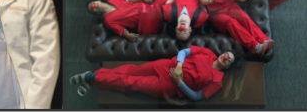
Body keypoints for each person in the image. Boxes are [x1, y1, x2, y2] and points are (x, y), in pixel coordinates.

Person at [70, 46, 246, 102]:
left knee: (131, 83)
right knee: (132, 70)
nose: (225, 57)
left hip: (168, 86)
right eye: (226, 54)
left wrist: (179, 82)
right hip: (166, 66)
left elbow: (197, 96)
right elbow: (184, 52)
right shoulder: (208, 53)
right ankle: (96, 78)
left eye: (228, 60)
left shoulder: (218, 80)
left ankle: (92, 77)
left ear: (229, 66)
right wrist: (179, 66)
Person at [195, 0, 274, 55]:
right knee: (232, 23)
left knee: (244, 17)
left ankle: (264, 40)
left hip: (230, 7)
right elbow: (203, 0)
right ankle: (255, 46)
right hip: (216, 14)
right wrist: (208, 1)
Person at [86, 0, 167, 41]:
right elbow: (122, 30)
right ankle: (157, 4)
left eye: (93, 2)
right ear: (97, 13)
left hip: (140, 4)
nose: (94, 6)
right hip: (143, 18)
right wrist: (128, 35)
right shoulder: (108, 20)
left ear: (98, 0)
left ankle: (155, 4)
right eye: (93, 9)